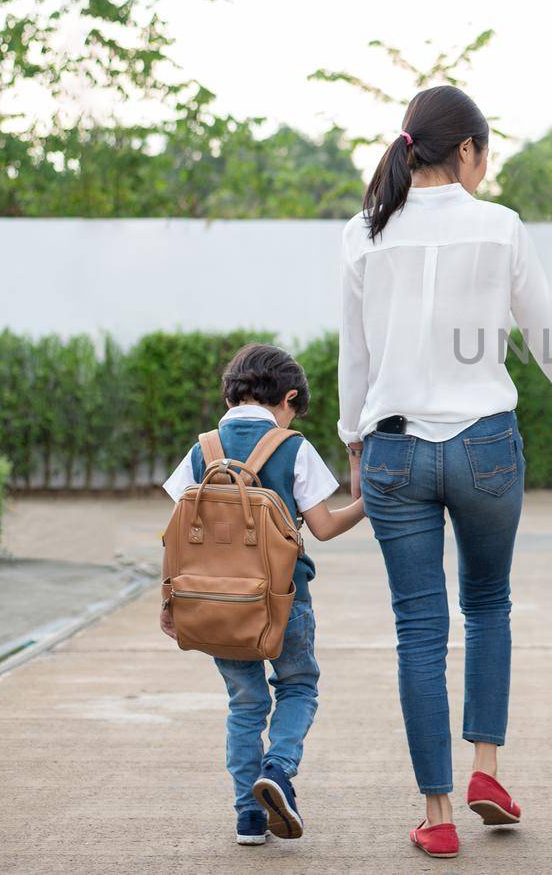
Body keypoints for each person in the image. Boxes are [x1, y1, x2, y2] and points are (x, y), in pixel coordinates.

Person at [338, 84, 552, 860]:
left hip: (394, 449)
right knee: (490, 605)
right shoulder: (500, 228)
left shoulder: (363, 233)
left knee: (417, 631)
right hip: (486, 449)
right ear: (465, 150)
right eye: (484, 153)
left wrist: (352, 441)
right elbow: (546, 332)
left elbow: (354, 354)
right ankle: (486, 771)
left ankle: (435, 813)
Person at [159, 343, 364, 846]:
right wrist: (368, 505)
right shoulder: (292, 446)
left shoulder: (200, 449)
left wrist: (169, 601)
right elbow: (324, 527)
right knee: (298, 686)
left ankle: (249, 819)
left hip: (211, 604)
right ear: (288, 397)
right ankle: (279, 768)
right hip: (281, 598)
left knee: (245, 704)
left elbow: (176, 534)